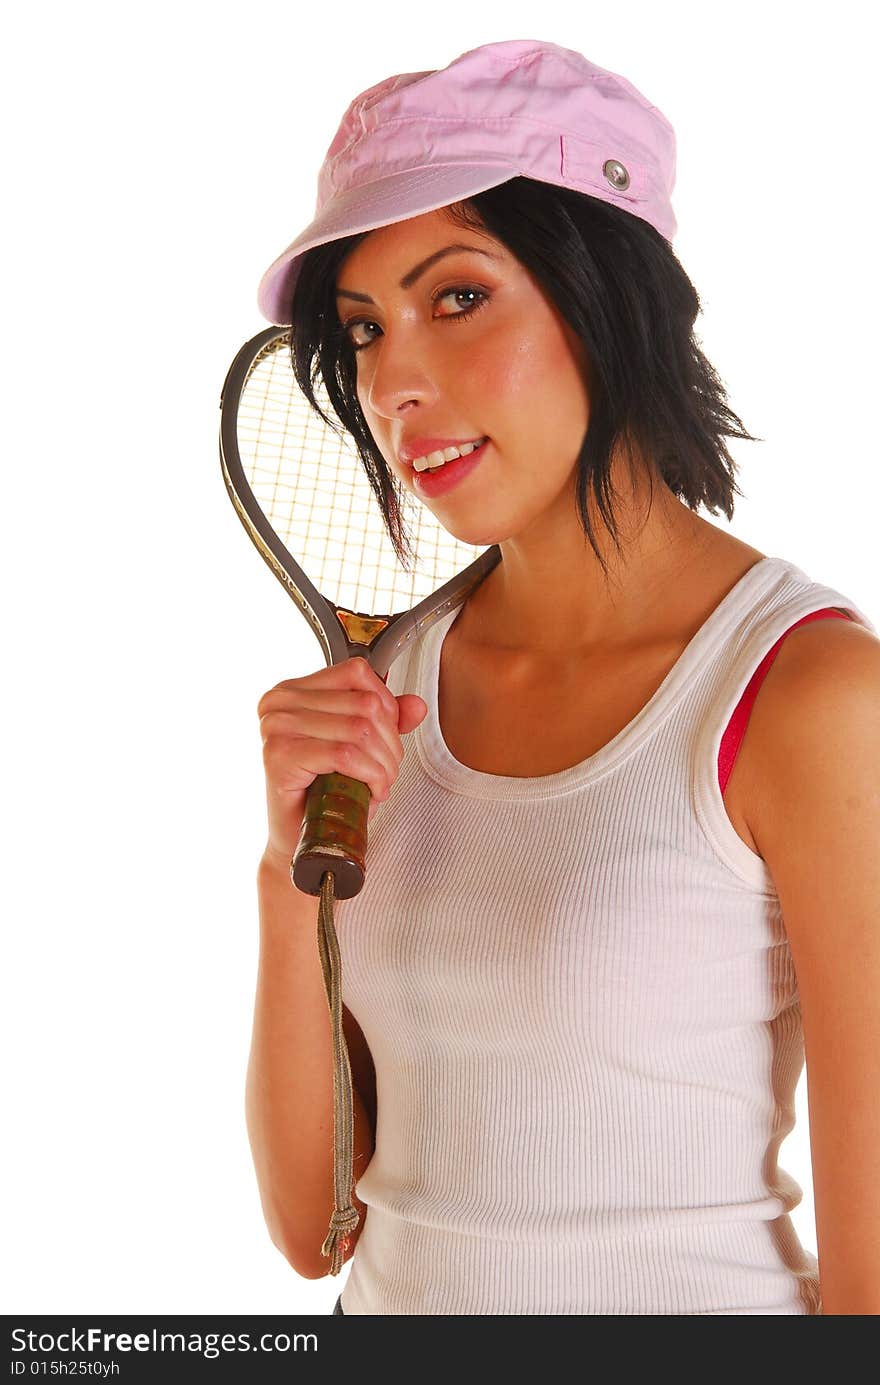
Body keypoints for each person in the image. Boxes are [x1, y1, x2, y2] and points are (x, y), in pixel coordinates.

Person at [244, 39, 880, 1315]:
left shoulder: (807, 698)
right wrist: (283, 874)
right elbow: (318, 1229)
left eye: (459, 297)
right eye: (363, 330)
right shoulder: (390, 698)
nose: (392, 381)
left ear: (607, 298)